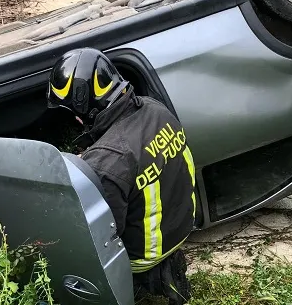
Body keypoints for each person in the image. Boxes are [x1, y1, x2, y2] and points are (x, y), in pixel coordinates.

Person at [47, 48, 197, 305]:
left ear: (86, 109)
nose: (72, 118)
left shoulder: (108, 161)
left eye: (71, 111)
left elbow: (104, 236)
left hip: (146, 253)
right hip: (183, 224)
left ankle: (152, 276)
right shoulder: (154, 108)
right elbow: (135, 157)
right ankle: (164, 267)